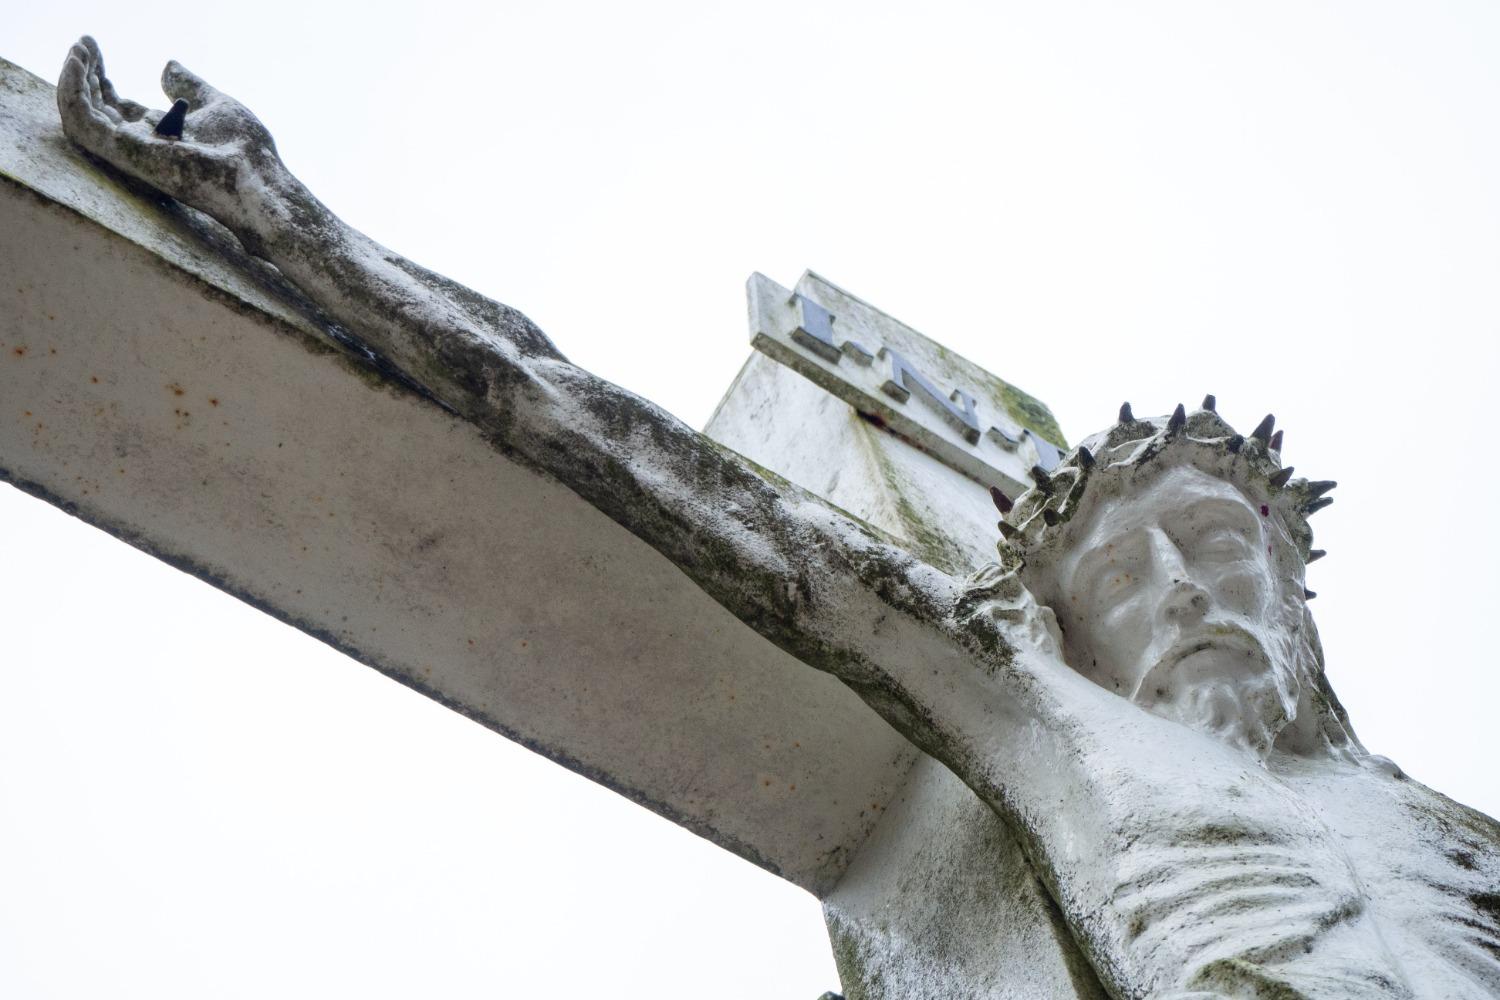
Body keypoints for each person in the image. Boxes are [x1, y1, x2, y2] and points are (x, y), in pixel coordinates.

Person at [55, 37, 1500, 998]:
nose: (1182, 591)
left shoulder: (1453, 834)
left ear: (1297, 580)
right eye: (1121, 570)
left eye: (1221, 544)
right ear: (1062, 620)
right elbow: (575, 422)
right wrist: (294, 226)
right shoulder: (1041, 708)